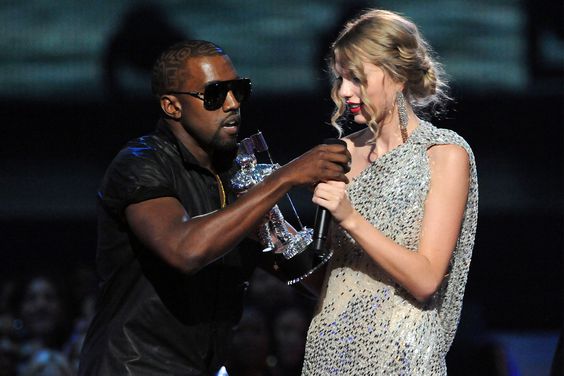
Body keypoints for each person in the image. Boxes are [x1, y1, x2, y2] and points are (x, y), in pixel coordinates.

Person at [78, 39, 350, 375]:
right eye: (215, 94)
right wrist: (283, 179)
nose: (233, 103)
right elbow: (184, 250)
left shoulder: (236, 176)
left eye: (238, 89)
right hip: (134, 366)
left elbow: (308, 275)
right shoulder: (141, 163)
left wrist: (342, 216)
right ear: (172, 106)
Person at [301, 9, 478, 375]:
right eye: (341, 78)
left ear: (397, 77)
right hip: (329, 350)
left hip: (401, 355)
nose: (345, 91)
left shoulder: (444, 155)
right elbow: (336, 275)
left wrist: (350, 217)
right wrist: (278, 239)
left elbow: (426, 280)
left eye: (357, 77)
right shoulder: (341, 154)